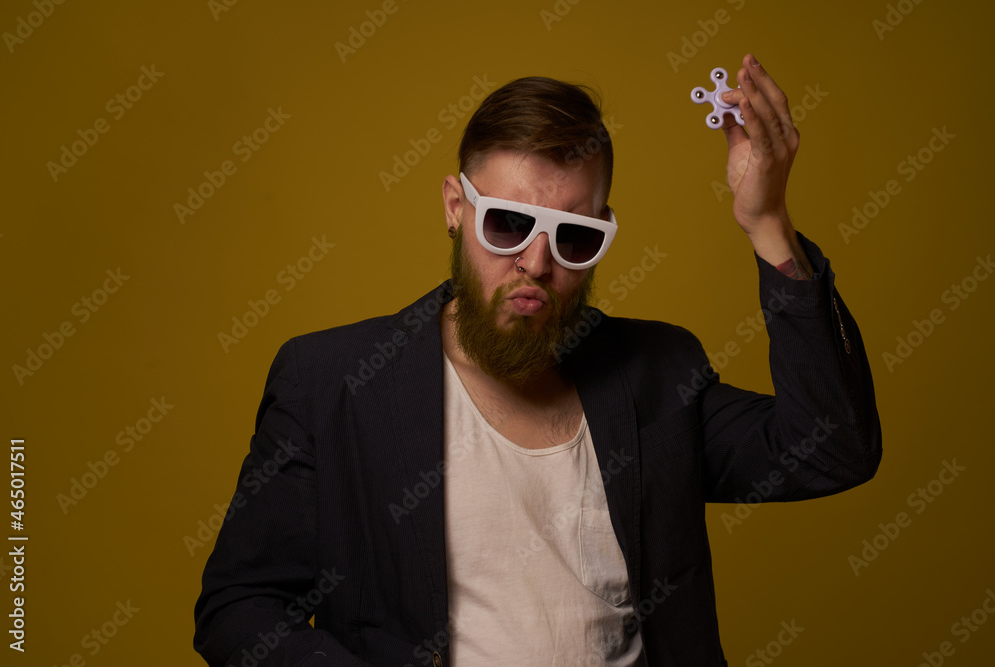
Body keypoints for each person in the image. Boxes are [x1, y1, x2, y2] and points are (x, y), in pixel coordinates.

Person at [194, 54, 882, 666]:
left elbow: (832, 450)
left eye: (574, 236)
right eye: (508, 223)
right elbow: (240, 606)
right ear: (455, 208)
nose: (536, 261)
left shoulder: (658, 373)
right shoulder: (333, 382)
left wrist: (768, 223)